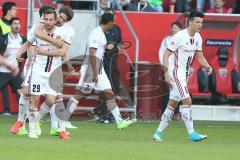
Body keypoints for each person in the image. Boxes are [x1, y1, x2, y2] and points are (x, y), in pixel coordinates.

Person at [11, 6, 75, 137]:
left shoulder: (66, 32)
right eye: (46, 19)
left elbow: (63, 52)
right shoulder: (37, 29)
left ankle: (42, 123)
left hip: (54, 71)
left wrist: (67, 63)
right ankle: (25, 125)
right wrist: (19, 52)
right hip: (36, 68)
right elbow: (29, 44)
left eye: (52, 19)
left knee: (52, 100)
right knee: (30, 95)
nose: (50, 21)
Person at [65, 13, 133, 133]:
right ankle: (63, 120)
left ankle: (119, 121)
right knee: (79, 94)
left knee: (109, 93)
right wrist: (95, 73)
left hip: (98, 67)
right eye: (113, 22)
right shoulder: (96, 33)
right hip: (92, 68)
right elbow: (92, 54)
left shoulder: (100, 33)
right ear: (110, 23)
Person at [153, 10, 212, 142]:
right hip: (175, 73)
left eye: (202, 22)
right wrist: (167, 73)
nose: (200, 24)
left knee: (172, 104)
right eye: (197, 22)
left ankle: (158, 132)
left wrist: (207, 66)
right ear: (190, 22)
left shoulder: (198, 38)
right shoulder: (179, 36)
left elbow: (199, 56)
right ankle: (192, 133)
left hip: (184, 75)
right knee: (187, 101)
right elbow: (165, 55)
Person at [158, 22, 182, 120]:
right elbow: (161, 53)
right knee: (167, 91)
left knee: (179, 92)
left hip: (179, 69)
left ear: (180, 29)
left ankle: (176, 113)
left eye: (176, 28)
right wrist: (165, 67)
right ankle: (165, 113)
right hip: (168, 69)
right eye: (173, 28)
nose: (174, 30)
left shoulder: (183, 40)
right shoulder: (166, 40)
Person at [0, 1, 17, 115]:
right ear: (9, 11)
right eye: (14, 9)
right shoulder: (1, 23)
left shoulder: (13, 24)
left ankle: (7, 109)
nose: (16, 11)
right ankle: (7, 109)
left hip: (11, 60)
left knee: (15, 84)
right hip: (2, 59)